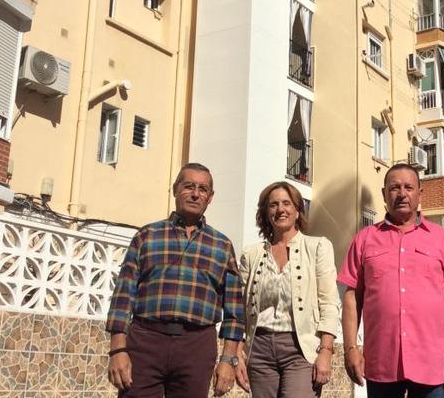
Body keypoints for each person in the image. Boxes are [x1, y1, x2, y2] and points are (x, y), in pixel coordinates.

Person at [106, 163, 244, 397]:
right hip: (145, 341)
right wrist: (117, 350)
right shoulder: (147, 236)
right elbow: (123, 296)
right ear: (175, 189)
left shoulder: (222, 245)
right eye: (188, 186)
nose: (195, 193)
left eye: (203, 189)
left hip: (197, 346)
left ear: (210, 197)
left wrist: (228, 360)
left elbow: (234, 311)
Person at [339, 163, 444, 398]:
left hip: (432, 362)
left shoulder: (442, 239)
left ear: (420, 193)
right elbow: (351, 298)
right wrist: (350, 348)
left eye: (409, 187)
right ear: (384, 194)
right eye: (394, 188)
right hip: (382, 361)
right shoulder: (364, 239)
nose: (402, 194)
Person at [234, 182, 340, 398]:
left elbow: (329, 302)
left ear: (298, 209)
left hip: (301, 349)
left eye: (286, 203)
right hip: (259, 349)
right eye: (273, 205)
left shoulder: (318, 246)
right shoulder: (251, 254)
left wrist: (326, 352)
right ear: (265, 212)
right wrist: (237, 353)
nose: (280, 209)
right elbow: (239, 308)